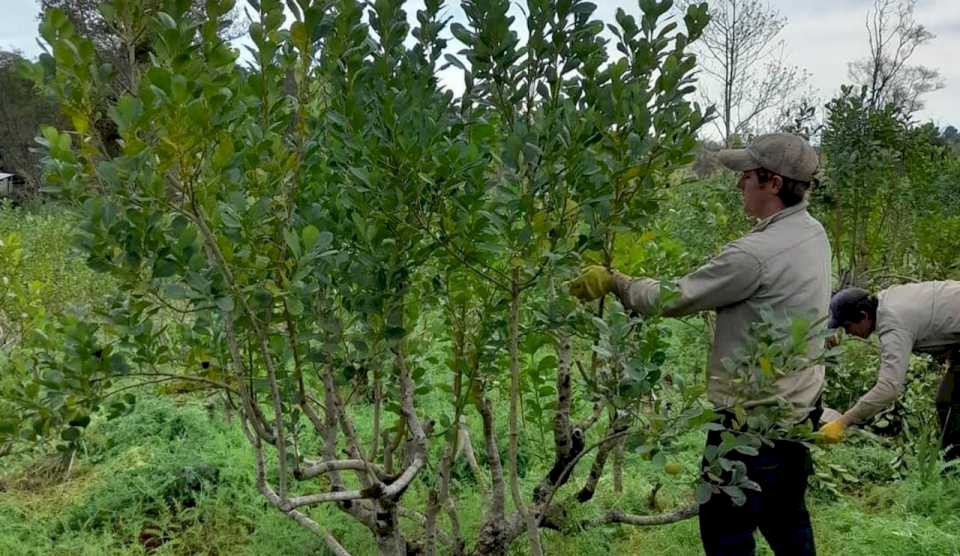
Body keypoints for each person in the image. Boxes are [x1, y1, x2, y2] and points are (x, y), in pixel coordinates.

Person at [569, 133, 829, 556]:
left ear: (773, 183)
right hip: (797, 417)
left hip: (749, 427)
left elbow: (670, 298)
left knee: (726, 536)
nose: (738, 184)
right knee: (789, 526)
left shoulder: (754, 254)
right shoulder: (813, 233)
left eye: (746, 175)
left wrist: (616, 282)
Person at [819, 282, 960, 458]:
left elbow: (889, 389)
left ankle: (953, 464)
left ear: (863, 316)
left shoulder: (893, 323)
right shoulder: (885, 300)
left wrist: (842, 422)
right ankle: (952, 463)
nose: (848, 333)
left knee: (950, 401)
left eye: (847, 326)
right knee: (947, 400)